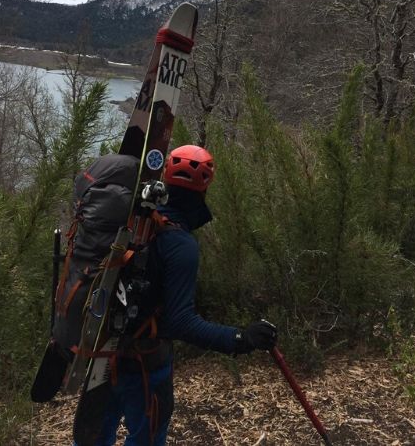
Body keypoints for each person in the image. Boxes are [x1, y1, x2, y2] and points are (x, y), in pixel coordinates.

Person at [87, 144, 278, 446]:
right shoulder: (179, 243)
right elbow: (181, 322)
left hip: (98, 355)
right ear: (202, 192)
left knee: (92, 438)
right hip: (146, 364)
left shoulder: (133, 220)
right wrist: (241, 338)